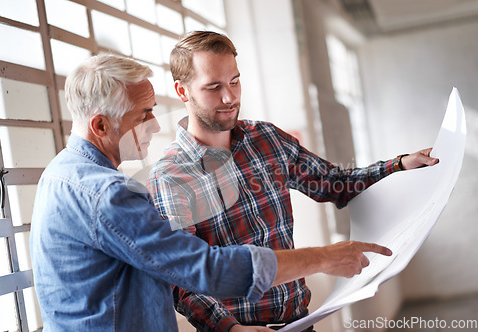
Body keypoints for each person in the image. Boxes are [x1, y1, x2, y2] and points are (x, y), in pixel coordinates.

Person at [29, 53, 392, 332]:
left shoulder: (60, 175)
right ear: (100, 124)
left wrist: (396, 166)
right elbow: (200, 269)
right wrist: (325, 257)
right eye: (143, 115)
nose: (155, 125)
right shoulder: (108, 193)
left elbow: (332, 181)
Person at [146, 31, 439, 332]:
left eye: (235, 81)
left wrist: (399, 165)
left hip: (301, 323)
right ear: (182, 91)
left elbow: (334, 183)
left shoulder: (267, 139)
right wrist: (229, 329)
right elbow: (181, 276)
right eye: (214, 87)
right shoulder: (171, 177)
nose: (230, 97)